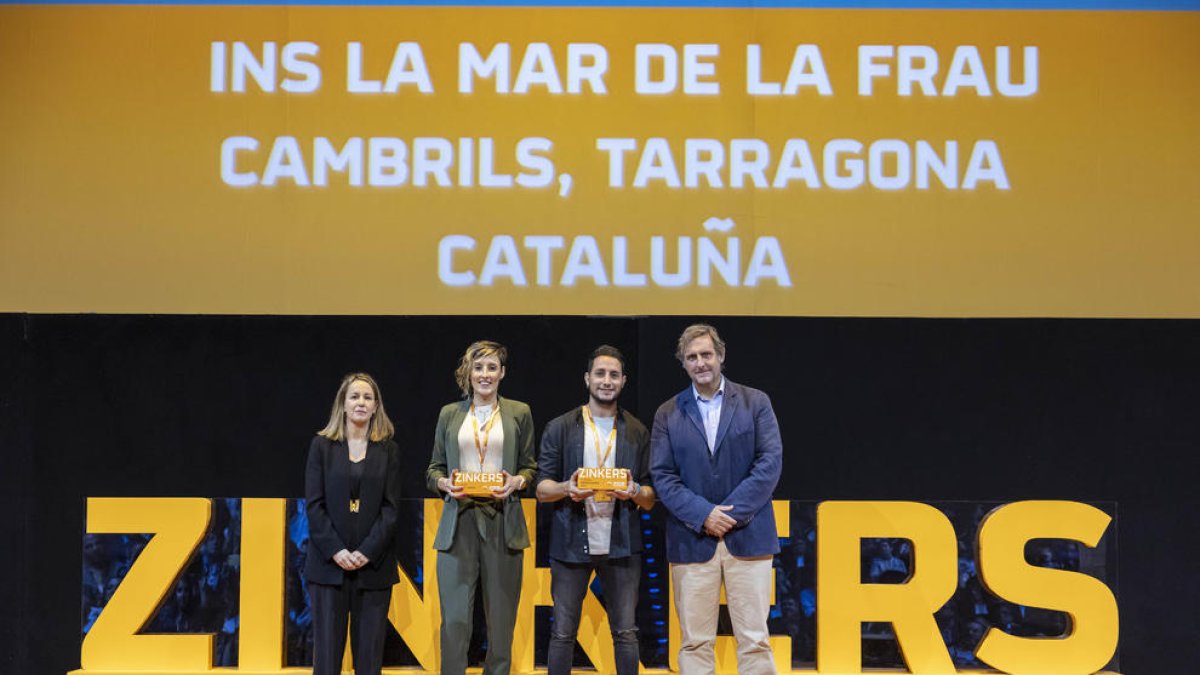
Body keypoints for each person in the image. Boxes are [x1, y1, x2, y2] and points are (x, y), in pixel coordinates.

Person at [650, 324, 783, 675]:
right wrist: (704, 514)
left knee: (755, 639)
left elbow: (769, 464)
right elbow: (662, 475)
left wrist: (729, 515)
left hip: (749, 537)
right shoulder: (667, 413)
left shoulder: (756, 402)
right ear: (684, 364)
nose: (700, 363)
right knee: (694, 642)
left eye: (706, 354)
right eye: (691, 357)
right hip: (692, 538)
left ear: (721, 356)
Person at [536, 345, 656, 675]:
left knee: (626, 634)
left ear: (623, 381)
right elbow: (541, 489)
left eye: (613, 375)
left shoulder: (637, 431)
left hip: (621, 545)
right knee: (562, 634)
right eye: (600, 374)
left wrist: (633, 491)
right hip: (570, 542)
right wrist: (566, 489)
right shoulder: (560, 427)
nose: (606, 381)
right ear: (587, 378)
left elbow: (650, 496)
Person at [426, 340, 537, 675]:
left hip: (504, 523)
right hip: (458, 523)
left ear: (502, 373)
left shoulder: (520, 412)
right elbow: (434, 469)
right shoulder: (450, 413)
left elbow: (529, 467)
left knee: (502, 625)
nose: (485, 374)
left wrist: (517, 482)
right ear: (468, 373)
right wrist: (444, 484)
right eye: (478, 367)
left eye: (492, 367)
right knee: (456, 621)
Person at [305, 373, 401, 675]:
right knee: (327, 659)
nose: (361, 402)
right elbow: (314, 505)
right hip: (328, 567)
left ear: (376, 407)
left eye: (367, 397)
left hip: (373, 568)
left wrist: (366, 552)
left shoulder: (389, 450)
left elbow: (391, 509)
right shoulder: (321, 446)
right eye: (355, 396)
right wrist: (336, 550)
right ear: (343, 404)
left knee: (369, 659)